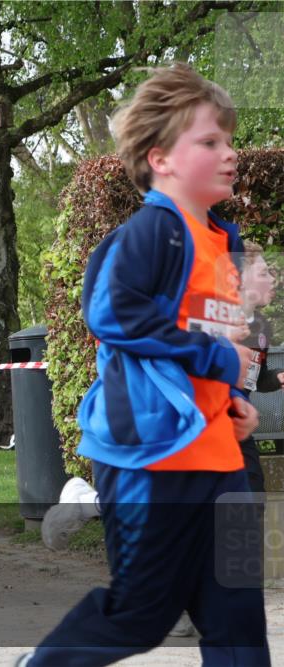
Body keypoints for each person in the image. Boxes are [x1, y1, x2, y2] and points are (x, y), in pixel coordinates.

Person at [19, 63, 268, 667]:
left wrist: (233, 403)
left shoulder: (221, 243)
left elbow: (197, 346)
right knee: (140, 615)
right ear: (161, 159)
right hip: (153, 459)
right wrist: (214, 355)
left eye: (229, 140)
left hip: (221, 460)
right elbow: (111, 312)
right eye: (209, 142)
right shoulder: (156, 231)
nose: (229, 153)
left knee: (238, 623)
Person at [237, 240, 283, 492]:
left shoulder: (261, 327)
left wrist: (278, 377)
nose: (272, 279)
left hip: (239, 431)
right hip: (203, 431)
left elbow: (254, 379)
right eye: (264, 273)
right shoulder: (211, 322)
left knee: (253, 497)